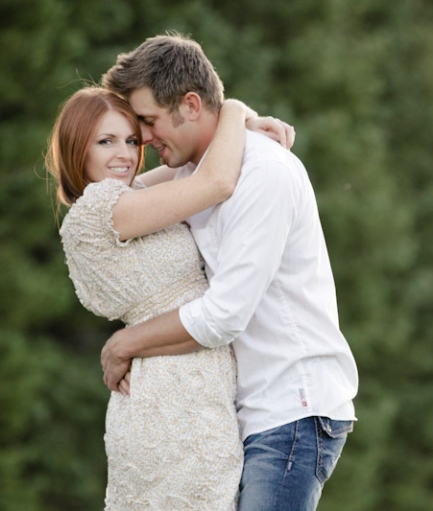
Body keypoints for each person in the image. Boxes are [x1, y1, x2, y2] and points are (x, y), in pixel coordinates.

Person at [100, 34, 359, 511]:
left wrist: (124, 344)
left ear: (191, 104)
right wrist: (239, 114)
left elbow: (225, 316)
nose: (145, 138)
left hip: (293, 410)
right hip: (244, 415)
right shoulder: (192, 178)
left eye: (150, 121)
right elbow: (115, 195)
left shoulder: (265, 173)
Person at [45, 86, 294, 510]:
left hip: (193, 378)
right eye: (105, 142)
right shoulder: (104, 210)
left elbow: (199, 163)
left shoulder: (131, 196)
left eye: (130, 139)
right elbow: (215, 182)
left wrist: (244, 126)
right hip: (173, 396)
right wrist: (232, 109)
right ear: (76, 150)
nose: (124, 153)